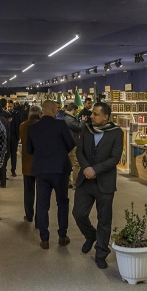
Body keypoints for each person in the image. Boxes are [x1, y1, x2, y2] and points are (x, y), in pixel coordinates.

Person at [72, 102, 123, 269]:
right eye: (92, 113)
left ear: (105, 117)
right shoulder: (87, 129)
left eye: (95, 114)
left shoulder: (116, 132)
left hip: (105, 183)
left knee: (104, 220)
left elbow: (115, 158)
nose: (91, 116)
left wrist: (95, 170)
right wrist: (86, 167)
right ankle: (91, 235)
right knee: (78, 213)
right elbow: (79, 151)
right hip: (85, 181)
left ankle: (101, 253)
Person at [26, 100, 75, 250]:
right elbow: (71, 143)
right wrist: (60, 153)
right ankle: (62, 236)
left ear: (43, 111)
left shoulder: (33, 128)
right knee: (62, 202)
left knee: (42, 204)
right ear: (54, 110)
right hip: (60, 169)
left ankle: (44, 239)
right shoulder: (61, 125)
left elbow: (29, 149)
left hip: (41, 170)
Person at [20, 105, 43, 226]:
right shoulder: (43, 126)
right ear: (40, 114)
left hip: (27, 164)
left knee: (28, 191)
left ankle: (29, 215)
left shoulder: (23, 126)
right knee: (41, 193)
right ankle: (39, 220)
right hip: (40, 164)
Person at [58, 103, 83, 188]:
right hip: (72, 144)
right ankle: (75, 182)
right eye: (76, 111)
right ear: (73, 110)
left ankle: (68, 182)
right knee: (75, 164)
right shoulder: (69, 118)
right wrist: (83, 121)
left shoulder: (64, 117)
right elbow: (79, 127)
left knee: (68, 164)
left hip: (66, 144)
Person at [0, 100, 11, 187]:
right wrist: (7, 147)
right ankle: (3, 183)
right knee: (3, 164)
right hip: (4, 145)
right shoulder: (5, 121)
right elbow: (8, 135)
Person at [6, 100, 21, 176]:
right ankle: (4, 170)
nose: (9, 108)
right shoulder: (4, 114)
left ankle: (13, 170)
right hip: (6, 137)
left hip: (14, 136)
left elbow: (19, 124)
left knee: (13, 154)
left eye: (11, 106)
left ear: (13, 106)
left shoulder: (17, 114)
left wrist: (19, 136)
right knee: (6, 154)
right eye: (8, 106)